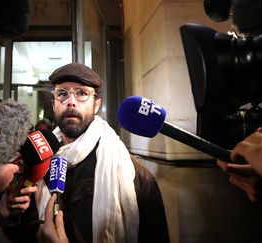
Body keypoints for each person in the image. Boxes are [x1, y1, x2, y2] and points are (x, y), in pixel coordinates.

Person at [31, 63, 169, 243]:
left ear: (96, 105)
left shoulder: (135, 177)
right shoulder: (38, 161)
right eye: (62, 93)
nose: (71, 101)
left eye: (81, 93)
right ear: (54, 104)